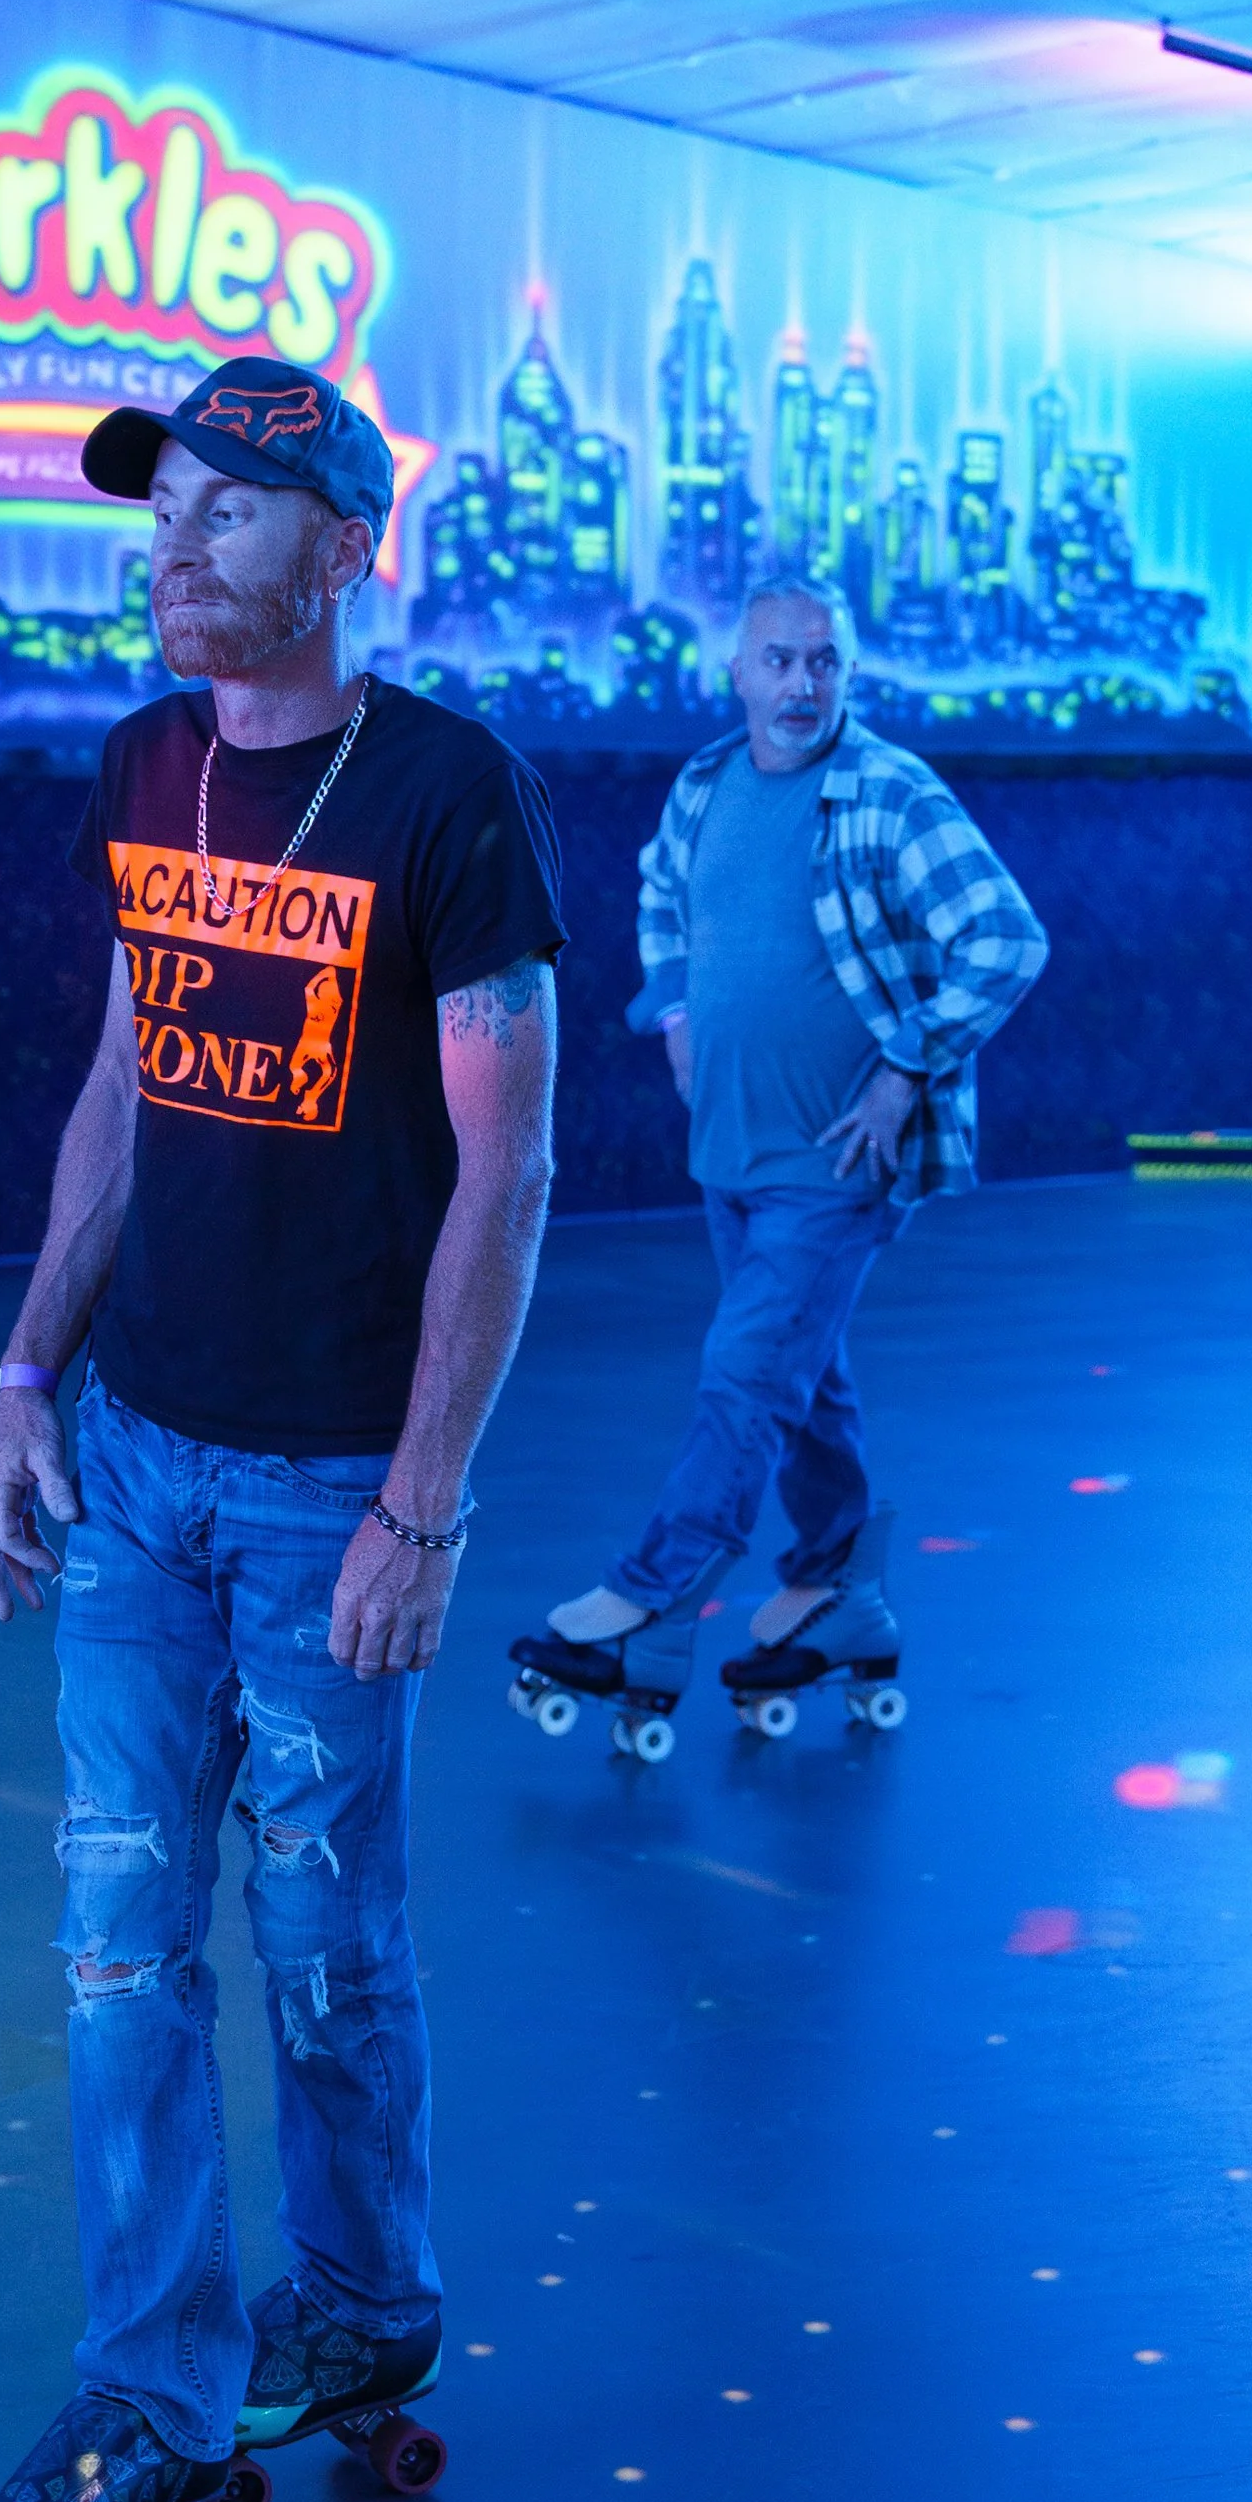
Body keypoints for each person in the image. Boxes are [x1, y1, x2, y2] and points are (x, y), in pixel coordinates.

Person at [0, 353, 565, 2502]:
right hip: (131, 1452)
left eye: (228, 511)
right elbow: (122, 1086)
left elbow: (502, 1169)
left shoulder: (445, 793)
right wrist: (26, 1368)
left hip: (330, 1484)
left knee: (320, 1944)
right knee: (120, 1940)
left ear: (342, 547)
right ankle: (149, 2381)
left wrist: (425, 1497)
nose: (173, 542)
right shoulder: (142, 764)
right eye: (162, 508)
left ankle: (368, 2293)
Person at [512, 578, 1048, 1723]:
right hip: (731, 1155)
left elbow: (1006, 938)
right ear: (739, 672)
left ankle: (651, 1609)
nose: (802, 684)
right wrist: (671, 1013)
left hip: (839, 1164)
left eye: (824, 663)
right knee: (807, 1387)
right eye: (780, 661)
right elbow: (659, 893)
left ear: (847, 674)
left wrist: (907, 1068)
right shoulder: (705, 784)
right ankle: (838, 1594)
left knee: (745, 1376)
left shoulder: (889, 793)